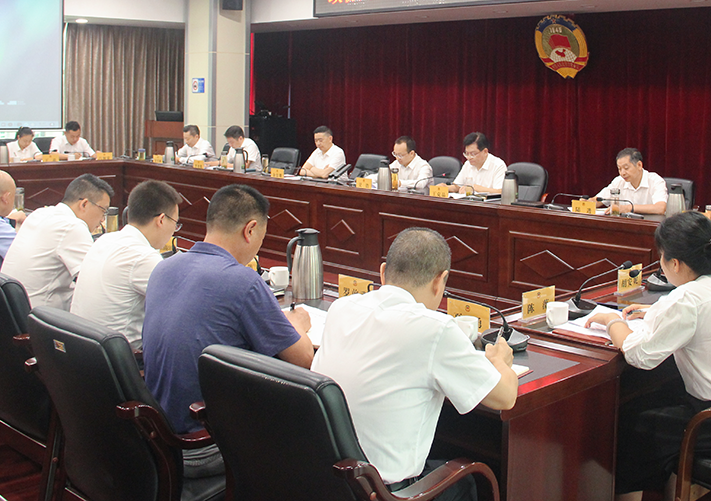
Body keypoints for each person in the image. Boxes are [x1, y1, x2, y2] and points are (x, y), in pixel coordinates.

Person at [585, 213, 711, 500]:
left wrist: (611, 321)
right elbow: (707, 311)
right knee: (655, 399)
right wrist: (657, 311)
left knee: (635, 424)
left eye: (662, 256)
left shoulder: (688, 299)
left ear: (675, 263)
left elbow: (638, 354)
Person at [312, 228, 517, 499]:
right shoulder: (435, 328)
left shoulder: (342, 308)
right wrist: (500, 361)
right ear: (440, 281)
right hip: (384, 493)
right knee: (470, 481)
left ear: (383, 273)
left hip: (327, 482)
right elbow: (505, 397)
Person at [143, 184, 313, 477]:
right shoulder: (243, 281)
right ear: (250, 230)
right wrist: (296, 324)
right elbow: (303, 359)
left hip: (156, 438)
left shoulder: (163, 268)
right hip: (202, 446)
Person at [70, 180, 182, 350]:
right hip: (118, 358)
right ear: (161, 220)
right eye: (175, 223)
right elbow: (180, 309)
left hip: (82, 349)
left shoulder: (104, 240)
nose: (174, 230)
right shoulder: (143, 257)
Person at [1, 173, 113, 309]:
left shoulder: (39, 213)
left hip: (13, 308)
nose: (102, 219)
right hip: (39, 314)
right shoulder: (72, 226)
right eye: (103, 210)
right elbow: (95, 281)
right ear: (84, 204)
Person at [595, 148, 667, 215]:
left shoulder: (655, 181)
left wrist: (628, 208)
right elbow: (598, 200)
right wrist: (589, 202)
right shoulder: (619, 181)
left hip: (649, 223)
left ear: (639, 165)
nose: (622, 173)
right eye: (619, 169)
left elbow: (660, 208)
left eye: (626, 168)